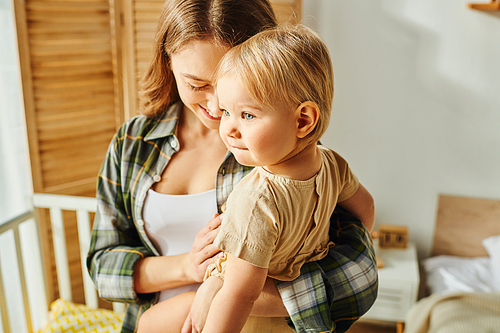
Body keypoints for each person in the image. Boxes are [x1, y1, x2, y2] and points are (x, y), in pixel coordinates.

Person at [87, 1, 378, 332]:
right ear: (169, 63)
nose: (214, 106)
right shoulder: (134, 142)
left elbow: (358, 278)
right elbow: (103, 266)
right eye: (197, 84)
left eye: (234, 89)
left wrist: (221, 291)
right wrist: (187, 268)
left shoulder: (285, 158)